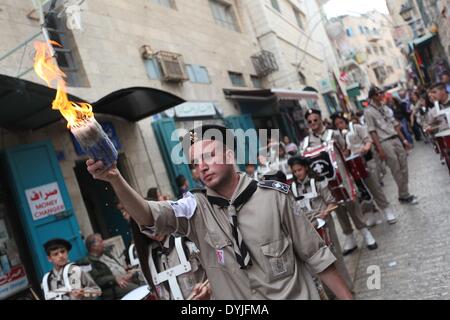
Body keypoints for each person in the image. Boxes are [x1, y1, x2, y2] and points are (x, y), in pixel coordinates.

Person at [86, 124, 353, 300]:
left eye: (209, 156)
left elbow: (316, 256)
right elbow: (148, 215)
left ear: (229, 153)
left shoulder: (275, 196)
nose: (201, 167)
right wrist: (115, 178)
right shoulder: (195, 209)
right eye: (194, 163)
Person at [301, 109, 378, 255]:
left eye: (315, 120)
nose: (313, 123)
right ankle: (349, 237)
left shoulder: (333, 134)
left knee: (351, 204)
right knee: (336, 208)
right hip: (324, 182)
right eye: (309, 121)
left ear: (320, 119)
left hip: (341, 177)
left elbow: (344, 150)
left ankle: (365, 232)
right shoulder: (306, 142)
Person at [288, 156, 353, 292]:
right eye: (294, 172)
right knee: (319, 263)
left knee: (335, 257)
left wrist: (325, 212)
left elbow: (331, 202)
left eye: (299, 169)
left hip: (325, 224)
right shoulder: (292, 188)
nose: (297, 173)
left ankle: (348, 290)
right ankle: (331, 294)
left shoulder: (318, 182)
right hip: (308, 229)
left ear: (306, 167)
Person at [331, 112, 398, 225]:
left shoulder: (356, 127)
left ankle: (387, 210)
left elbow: (367, 140)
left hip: (365, 161)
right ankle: (371, 212)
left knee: (374, 187)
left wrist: (366, 147)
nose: (340, 125)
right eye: (337, 124)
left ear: (345, 121)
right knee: (361, 191)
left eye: (341, 122)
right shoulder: (337, 135)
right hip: (351, 165)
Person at [364, 86, 418, 205]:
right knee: (396, 169)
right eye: (379, 93)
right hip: (384, 142)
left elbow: (395, 125)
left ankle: (403, 193)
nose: (382, 95)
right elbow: (372, 131)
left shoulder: (385, 107)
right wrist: (379, 149)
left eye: (382, 92)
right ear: (373, 96)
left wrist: (404, 140)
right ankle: (405, 195)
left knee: (404, 165)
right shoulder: (368, 111)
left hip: (395, 138)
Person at [85, 233, 140, 299]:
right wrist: (114, 278)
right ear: (93, 246)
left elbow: (117, 266)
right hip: (112, 287)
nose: (103, 243)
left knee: (144, 279)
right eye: (101, 242)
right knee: (138, 290)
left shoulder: (106, 253)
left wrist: (126, 270)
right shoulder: (89, 262)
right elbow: (97, 281)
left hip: (124, 279)